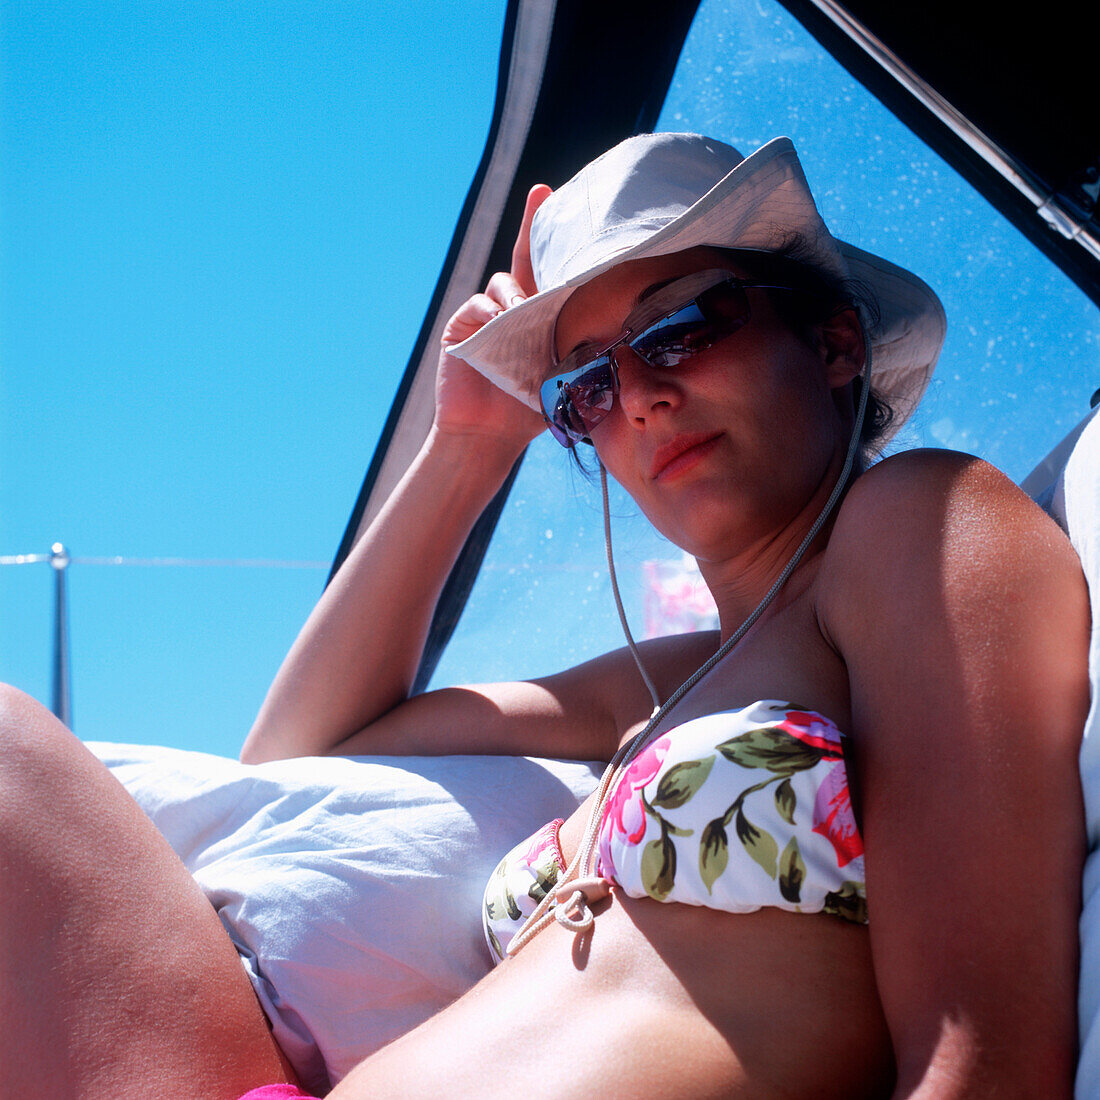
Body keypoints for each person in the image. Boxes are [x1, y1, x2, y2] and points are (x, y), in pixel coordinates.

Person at [0, 132, 1089, 1099]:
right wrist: (467, 446)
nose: (640, 396)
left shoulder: (916, 516)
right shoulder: (668, 679)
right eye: (583, 389)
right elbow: (298, 761)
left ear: (835, 341)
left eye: (677, 326)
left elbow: (980, 1053)